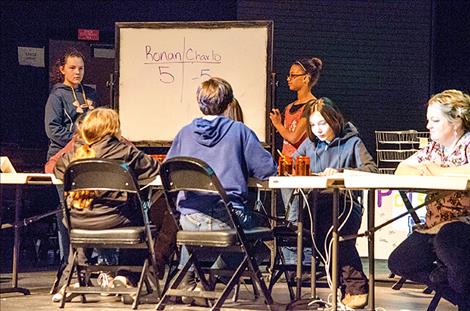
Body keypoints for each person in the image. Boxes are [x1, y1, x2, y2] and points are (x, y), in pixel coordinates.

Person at [165, 77, 277, 304]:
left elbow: (168, 172)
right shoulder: (239, 131)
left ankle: (187, 278)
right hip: (228, 217)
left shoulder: (184, 133)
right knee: (259, 234)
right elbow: (267, 170)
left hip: (190, 220)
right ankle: (216, 277)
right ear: (228, 104)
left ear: (199, 103)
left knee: (197, 226)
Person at [53, 108, 160, 303]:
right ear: (112, 128)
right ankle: (125, 276)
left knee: (83, 211)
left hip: (77, 223)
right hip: (115, 222)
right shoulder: (125, 151)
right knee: (139, 216)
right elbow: (154, 168)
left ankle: (77, 278)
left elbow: (57, 169)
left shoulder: (73, 154)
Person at [388, 89, 470, 310]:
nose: (428, 126)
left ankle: (457, 285)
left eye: (435, 120)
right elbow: (402, 169)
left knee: (448, 242)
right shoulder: (434, 148)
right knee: (400, 261)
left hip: (462, 224)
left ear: (456, 122)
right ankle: (450, 286)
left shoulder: (468, 144)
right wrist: (425, 169)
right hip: (433, 226)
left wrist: (437, 170)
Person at [294, 97, 377, 309]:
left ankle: (355, 286)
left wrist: (341, 173)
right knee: (317, 235)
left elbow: (371, 171)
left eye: (322, 123)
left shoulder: (352, 142)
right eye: (313, 125)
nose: (318, 129)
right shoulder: (309, 145)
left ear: (334, 119)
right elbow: (293, 165)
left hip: (345, 204)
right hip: (315, 204)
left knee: (335, 236)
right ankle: (348, 287)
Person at [44, 48, 98, 277]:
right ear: (62, 69)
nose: (77, 72)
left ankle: (89, 262)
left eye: (81, 68)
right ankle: (68, 263)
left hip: (88, 158)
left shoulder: (90, 93)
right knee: (67, 212)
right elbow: (52, 129)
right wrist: (77, 137)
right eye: (73, 68)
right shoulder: (57, 96)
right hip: (63, 159)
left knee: (88, 208)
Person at [269, 57, 322, 266]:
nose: (289, 79)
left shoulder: (312, 106)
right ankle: (292, 260)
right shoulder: (290, 105)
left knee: (298, 216)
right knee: (290, 215)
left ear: (306, 78)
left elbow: (293, 137)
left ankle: (302, 262)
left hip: (302, 168)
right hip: (285, 168)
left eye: (293, 75)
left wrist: (277, 124)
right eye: (289, 75)